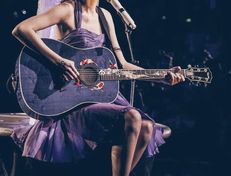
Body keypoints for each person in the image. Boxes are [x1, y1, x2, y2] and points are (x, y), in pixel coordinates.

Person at [11, 0, 185, 176]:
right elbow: (21, 29)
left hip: (98, 96)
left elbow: (122, 64)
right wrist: (58, 61)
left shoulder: (105, 15)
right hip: (70, 99)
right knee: (132, 116)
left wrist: (161, 76)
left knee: (147, 127)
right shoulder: (67, 9)